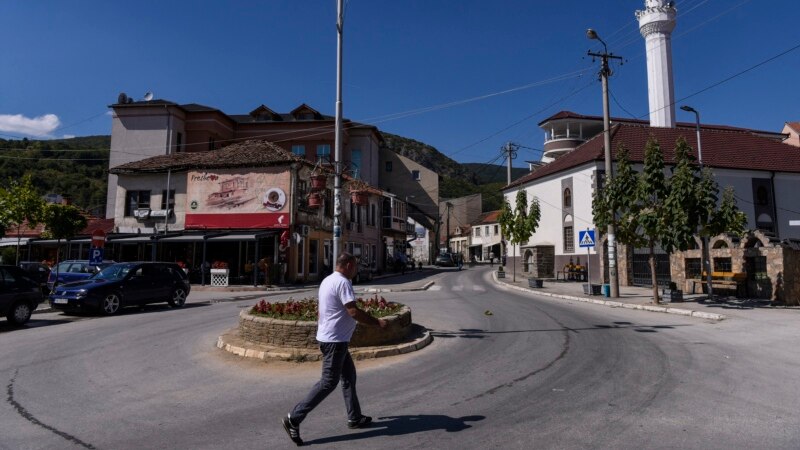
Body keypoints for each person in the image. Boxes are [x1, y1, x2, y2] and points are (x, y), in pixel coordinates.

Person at [282, 252, 388, 446]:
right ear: (347, 265)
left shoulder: (327, 280)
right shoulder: (343, 282)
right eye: (355, 266)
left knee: (348, 378)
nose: (356, 270)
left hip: (331, 339)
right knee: (328, 382)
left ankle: (354, 417)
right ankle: (294, 418)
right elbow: (353, 311)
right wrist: (377, 323)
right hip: (335, 341)